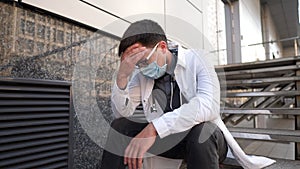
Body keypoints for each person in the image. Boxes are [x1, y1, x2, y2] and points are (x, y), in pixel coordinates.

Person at [100, 19, 275, 169]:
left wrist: (154, 129)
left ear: (162, 47)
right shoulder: (141, 75)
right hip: (167, 140)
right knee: (120, 126)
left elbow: (208, 106)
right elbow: (122, 113)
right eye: (136, 65)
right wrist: (122, 76)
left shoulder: (198, 59)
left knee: (202, 132)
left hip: (205, 142)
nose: (142, 68)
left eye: (144, 61)